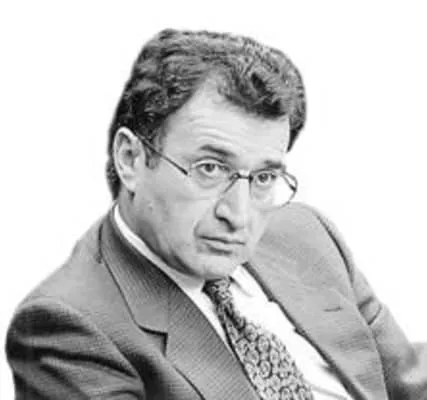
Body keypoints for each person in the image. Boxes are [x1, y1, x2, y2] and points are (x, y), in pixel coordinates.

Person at [5, 29, 427, 400]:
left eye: (263, 177)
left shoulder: (307, 234)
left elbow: (407, 381)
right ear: (130, 159)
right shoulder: (69, 328)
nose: (238, 215)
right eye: (210, 169)